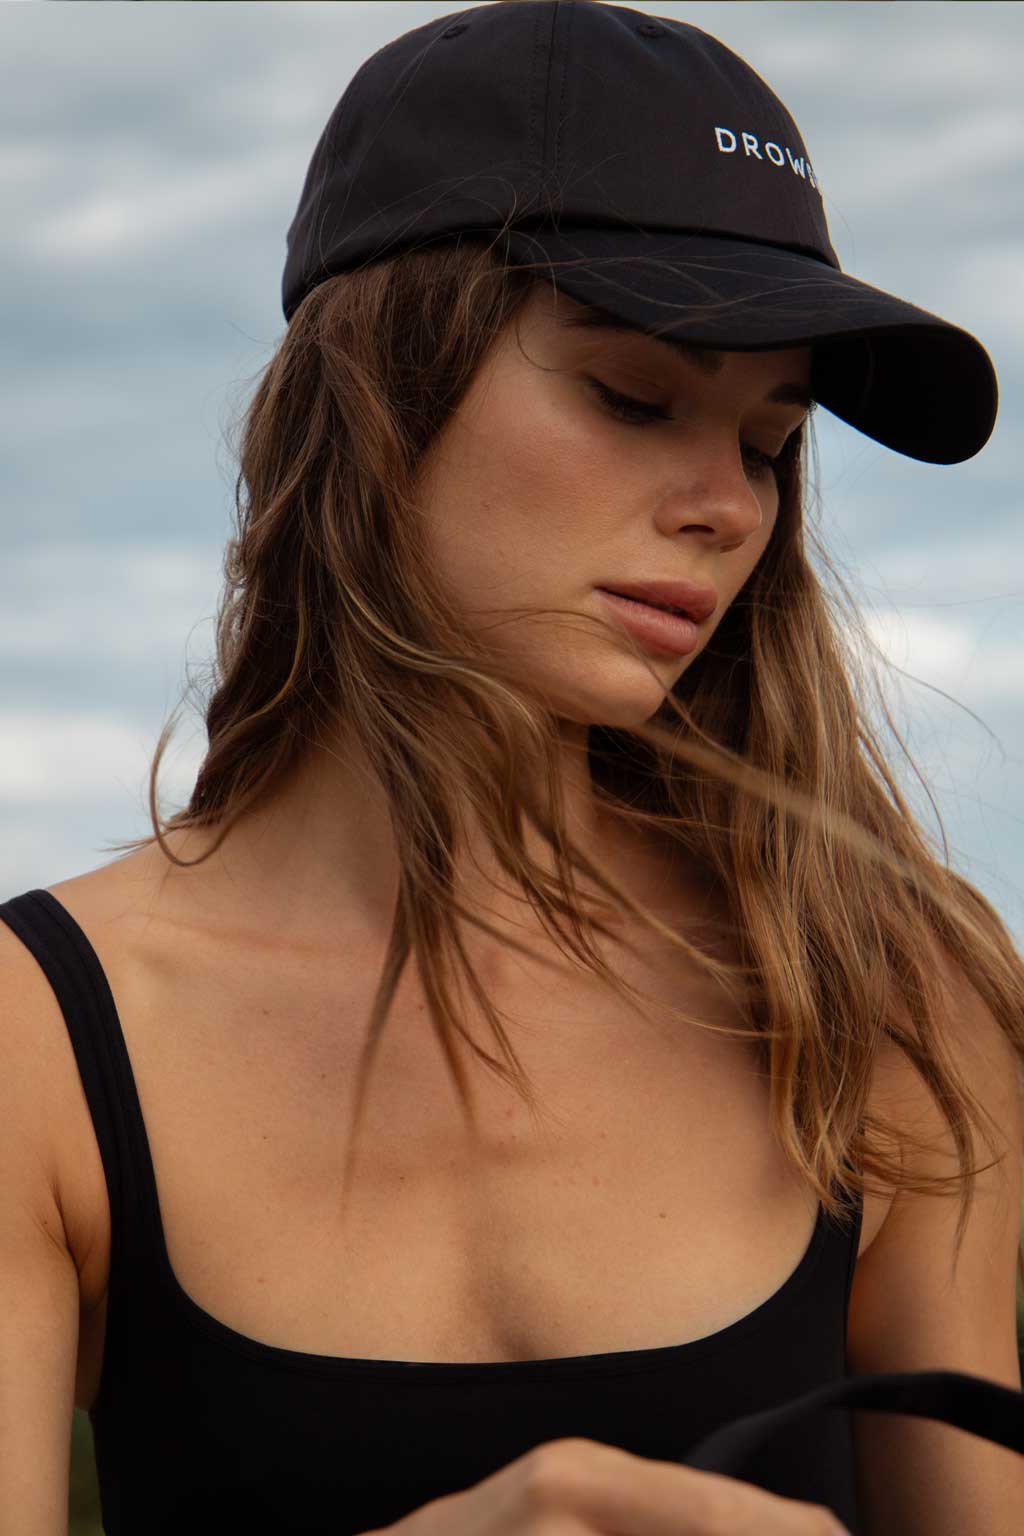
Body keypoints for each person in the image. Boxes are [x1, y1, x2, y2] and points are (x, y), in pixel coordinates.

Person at [2, 4, 1022, 1535]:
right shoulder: (44, 1044)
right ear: (376, 391)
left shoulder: (882, 983)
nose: (726, 508)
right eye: (633, 397)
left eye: (769, 439)